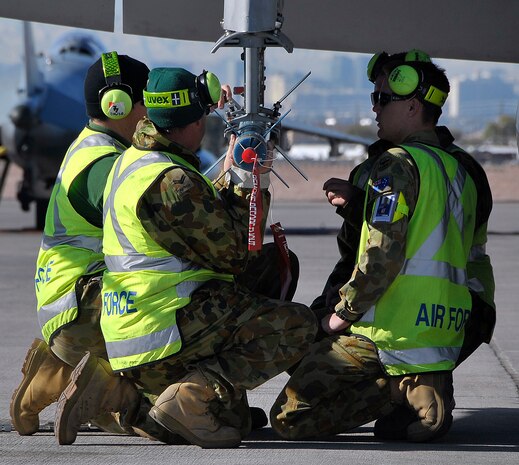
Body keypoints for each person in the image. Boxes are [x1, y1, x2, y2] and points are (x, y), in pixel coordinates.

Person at [54, 67, 317, 448]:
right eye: (201, 119)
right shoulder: (171, 180)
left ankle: (116, 390)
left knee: (234, 420)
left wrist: (225, 179)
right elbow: (234, 254)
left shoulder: (134, 161)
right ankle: (190, 395)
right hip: (166, 329)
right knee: (296, 325)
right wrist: (247, 183)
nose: (204, 127)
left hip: (130, 333)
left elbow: (194, 220)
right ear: (188, 122)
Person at [270, 52, 493, 442]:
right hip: (448, 328)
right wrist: (361, 203)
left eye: (382, 99)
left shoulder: (395, 165)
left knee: (291, 414)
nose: (374, 107)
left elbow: (381, 256)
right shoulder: (462, 170)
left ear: (411, 106)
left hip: (389, 328)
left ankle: (398, 390)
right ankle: (423, 387)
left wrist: (339, 316)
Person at [9, 52, 152, 437]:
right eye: (148, 99)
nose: (153, 109)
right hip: (85, 308)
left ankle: (53, 372)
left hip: (67, 306)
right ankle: (105, 390)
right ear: (119, 105)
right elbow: (164, 221)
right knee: (167, 407)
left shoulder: (92, 147)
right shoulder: (105, 165)